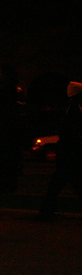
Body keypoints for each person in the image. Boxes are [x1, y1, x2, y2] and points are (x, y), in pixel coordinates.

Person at [38, 81, 82, 219]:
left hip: (68, 151)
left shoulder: (71, 108)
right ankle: (46, 210)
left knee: (60, 182)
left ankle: (47, 210)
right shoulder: (74, 109)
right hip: (71, 151)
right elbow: (73, 131)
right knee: (72, 181)